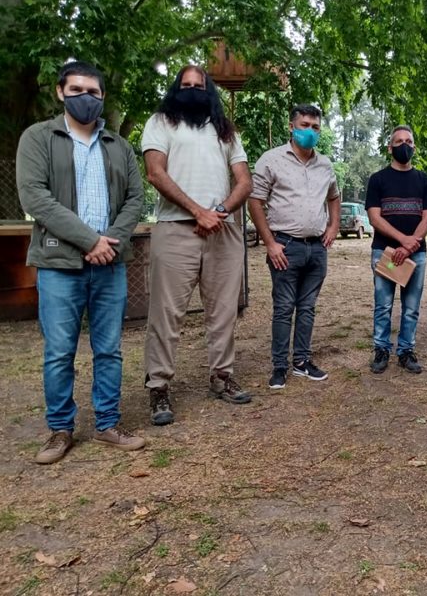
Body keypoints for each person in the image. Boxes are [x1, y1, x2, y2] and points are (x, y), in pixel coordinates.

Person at [16, 61, 145, 464]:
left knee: (109, 350)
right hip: (59, 264)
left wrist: (110, 244)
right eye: (76, 90)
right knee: (59, 351)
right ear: (60, 92)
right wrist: (90, 241)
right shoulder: (39, 138)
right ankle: (60, 430)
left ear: (102, 96)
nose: (84, 97)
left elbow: (135, 201)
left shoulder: (118, 147)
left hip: (110, 265)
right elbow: (35, 198)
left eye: (92, 91)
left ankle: (108, 423)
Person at [142, 65, 253, 425]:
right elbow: (155, 172)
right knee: (166, 314)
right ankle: (158, 386)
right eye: (185, 85)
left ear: (210, 91)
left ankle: (221, 376)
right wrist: (197, 211)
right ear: (176, 88)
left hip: (223, 230)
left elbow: (244, 181)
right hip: (176, 229)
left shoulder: (225, 130)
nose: (192, 90)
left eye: (199, 85)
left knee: (223, 312)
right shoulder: (161, 121)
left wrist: (218, 211)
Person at [249, 104, 340, 390]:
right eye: (304, 125)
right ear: (291, 126)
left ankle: (302, 361)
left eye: (315, 127)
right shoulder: (271, 160)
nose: (309, 131)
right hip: (285, 246)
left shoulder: (324, 164)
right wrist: (270, 243)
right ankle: (279, 366)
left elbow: (334, 197)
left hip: (317, 248)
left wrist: (333, 226)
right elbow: (255, 201)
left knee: (308, 307)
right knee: (284, 307)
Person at [366, 125, 427, 374]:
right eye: (398, 141)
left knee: (412, 307)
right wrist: (402, 241)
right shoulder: (377, 180)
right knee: (383, 305)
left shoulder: (424, 180)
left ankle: (406, 351)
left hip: (416, 255)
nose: (404, 145)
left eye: (408, 141)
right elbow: (375, 217)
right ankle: (381, 349)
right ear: (389, 147)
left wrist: (410, 245)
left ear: (414, 146)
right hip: (384, 253)